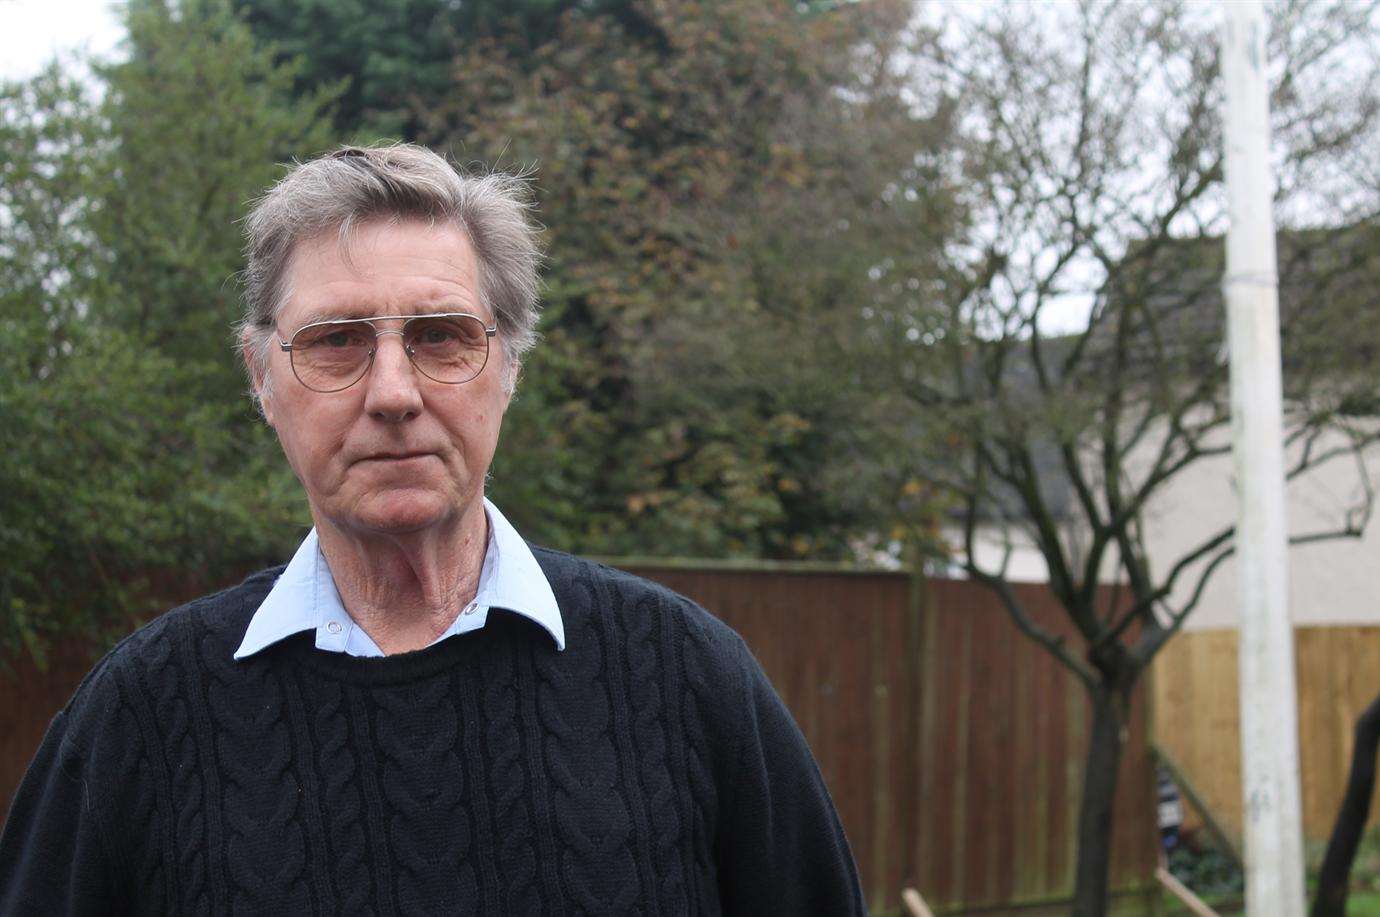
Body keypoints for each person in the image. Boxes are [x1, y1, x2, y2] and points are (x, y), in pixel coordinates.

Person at [0, 143, 864, 915]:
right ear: (261, 379)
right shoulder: (143, 714)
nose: (393, 392)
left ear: (509, 367)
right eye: (336, 341)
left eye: (442, 336)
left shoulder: (686, 675)